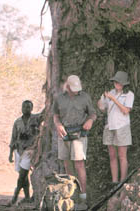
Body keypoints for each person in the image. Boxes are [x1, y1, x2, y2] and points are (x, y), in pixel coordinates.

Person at [53, 75, 96, 210]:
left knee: (79, 164)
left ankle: (83, 195)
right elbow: (55, 115)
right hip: (64, 134)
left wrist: (90, 121)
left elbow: (93, 113)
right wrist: (58, 125)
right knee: (67, 164)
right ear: (68, 87)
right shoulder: (60, 98)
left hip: (79, 133)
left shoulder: (85, 97)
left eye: (77, 89)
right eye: (73, 89)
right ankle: (71, 194)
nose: (76, 91)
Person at [97, 71, 134, 186]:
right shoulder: (111, 93)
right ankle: (114, 181)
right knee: (112, 155)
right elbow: (102, 108)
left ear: (124, 83)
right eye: (115, 82)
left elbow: (126, 110)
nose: (116, 84)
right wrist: (102, 99)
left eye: (119, 82)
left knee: (122, 156)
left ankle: (122, 182)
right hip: (110, 126)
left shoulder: (129, 95)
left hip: (122, 126)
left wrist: (114, 99)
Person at [8, 100, 44, 206]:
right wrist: (10, 153)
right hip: (18, 150)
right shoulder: (17, 122)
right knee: (23, 175)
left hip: (30, 150)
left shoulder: (36, 118)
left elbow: (45, 113)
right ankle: (27, 197)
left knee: (22, 175)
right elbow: (13, 138)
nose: (25, 109)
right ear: (21, 108)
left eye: (28, 107)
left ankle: (15, 195)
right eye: (24, 107)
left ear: (32, 109)